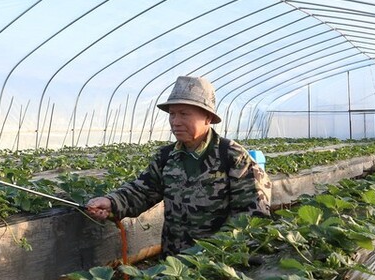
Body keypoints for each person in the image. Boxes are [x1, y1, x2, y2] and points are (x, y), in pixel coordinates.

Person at [85, 75, 271, 255]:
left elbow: (251, 216)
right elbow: (142, 191)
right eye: (172, 114)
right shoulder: (166, 156)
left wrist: (212, 254)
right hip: (174, 265)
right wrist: (111, 202)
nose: (175, 122)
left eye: (184, 114)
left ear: (207, 118)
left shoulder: (232, 156)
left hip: (216, 265)